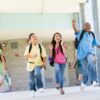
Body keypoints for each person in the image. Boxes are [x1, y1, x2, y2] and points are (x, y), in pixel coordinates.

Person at [72, 20, 100, 90]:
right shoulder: (80, 33)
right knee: (85, 70)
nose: (87, 25)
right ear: (83, 27)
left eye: (88, 24)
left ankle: (94, 80)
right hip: (81, 55)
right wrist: (74, 24)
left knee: (91, 63)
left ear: (90, 26)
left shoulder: (92, 35)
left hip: (90, 53)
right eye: (85, 24)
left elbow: (97, 44)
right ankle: (84, 82)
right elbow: (75, 29)